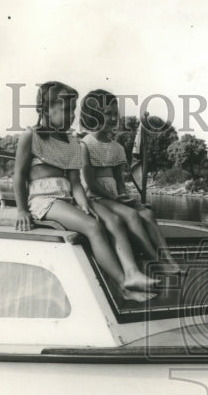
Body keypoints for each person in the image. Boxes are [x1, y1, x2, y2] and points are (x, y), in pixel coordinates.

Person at [13, 81, 157, 300]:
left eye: (73, 109)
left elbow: (75, 181)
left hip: (67, 198)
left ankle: (130, 274)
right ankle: (124, 285)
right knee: (92, 226)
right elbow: (19, 175)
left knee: (106, 220)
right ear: (45, 109)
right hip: (44, 200)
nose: (71, 115)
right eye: (66, 109)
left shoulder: (71, 142)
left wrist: (84, 204)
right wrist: (22, 210)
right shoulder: (30, 136)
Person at [78, 88, 180, 272]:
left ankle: (170, 260)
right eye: (107, 114)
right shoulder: (85, 144)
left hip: (114, 198)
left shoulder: (117, 148)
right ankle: (154, 260)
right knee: (132, 215)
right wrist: (117, 199)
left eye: (115, 113)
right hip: (96, 197)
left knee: (147, 214)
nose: (113, 118)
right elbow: (90, 182)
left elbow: (119, 181)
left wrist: (125, 197)